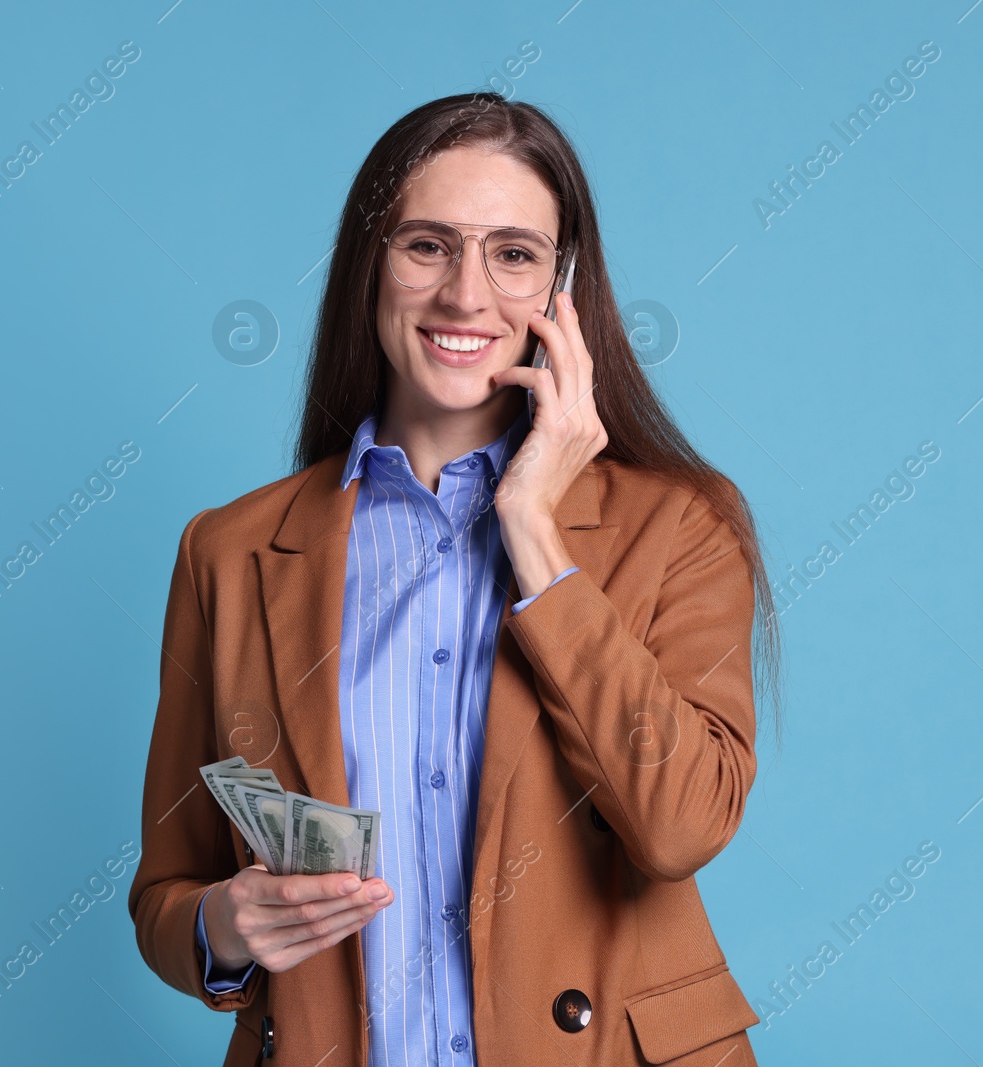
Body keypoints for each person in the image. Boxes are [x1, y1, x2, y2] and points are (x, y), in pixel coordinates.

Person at [128, 93, 781, 1066]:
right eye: (427, 245)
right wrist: (226, 927)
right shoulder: (230, 550)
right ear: (369, 266)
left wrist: (531, 530)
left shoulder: (679, 523)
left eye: (512, 253)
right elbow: (167, 888)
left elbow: (679, 823)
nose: (466, 295)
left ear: (561, 287)